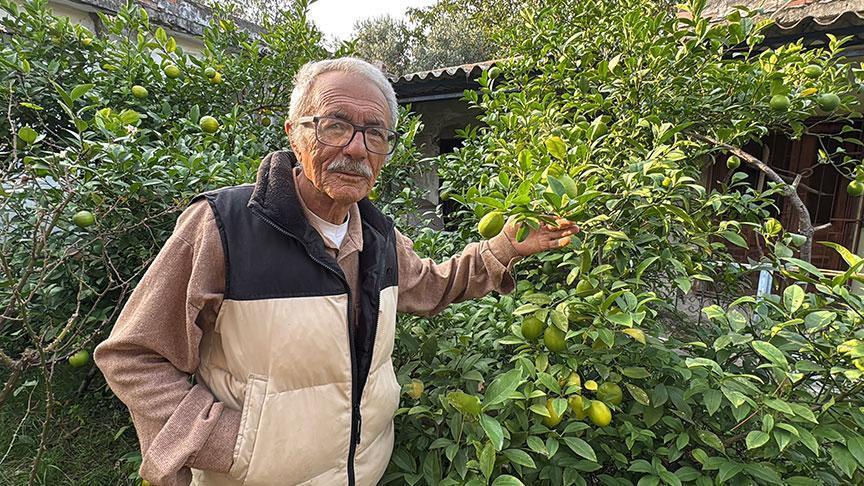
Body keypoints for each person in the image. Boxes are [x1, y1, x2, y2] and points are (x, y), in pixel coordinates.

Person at [94, 57, 578, 486]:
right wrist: (225, 441)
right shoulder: (223, 227)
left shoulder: (380, 238)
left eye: (375, 133)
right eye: (334, 125)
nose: (356, 148)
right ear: (294, 133)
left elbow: (436, 286)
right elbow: (135, 356)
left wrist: (503, 248)